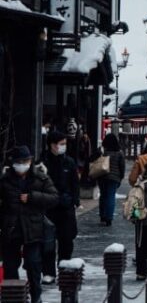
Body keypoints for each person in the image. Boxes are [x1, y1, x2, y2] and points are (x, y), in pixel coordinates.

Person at [0, 145, 58, 303]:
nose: (22, 165)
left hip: (33, 229)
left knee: (33, 265)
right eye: (19, 161)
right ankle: (14, 298)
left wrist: (32, 197)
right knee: (10, 266)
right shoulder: (5, 180)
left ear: (30, 161)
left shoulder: (40, 178)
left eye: (25, 161)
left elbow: (54, 197)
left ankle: (35, 296)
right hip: (11, 229)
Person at [40, 130, 79, 285]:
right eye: (61, 144)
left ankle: (64, 267)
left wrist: (73, 200)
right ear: (52, 145)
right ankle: (48, 272)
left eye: (64, 144)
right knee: (47, 242)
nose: (63, 146)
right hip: (48, 208)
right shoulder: (42, 162)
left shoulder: (69, 162)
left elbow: (75, 183)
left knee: (66, 241)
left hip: (65, 208)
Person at [95, 134, 125, 226]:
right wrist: (121, 177)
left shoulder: (102, 151)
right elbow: (122, 166)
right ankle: (109, 218)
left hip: (102, 176)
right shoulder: (119, 152)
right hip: (114, 177)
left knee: (103, 196)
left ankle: (102, 216)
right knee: (111, 196)